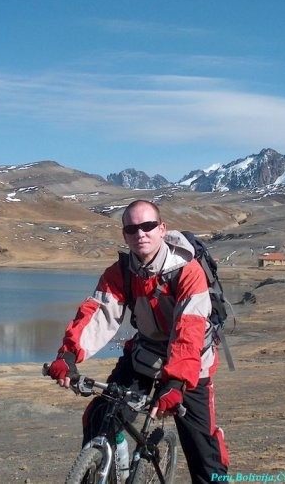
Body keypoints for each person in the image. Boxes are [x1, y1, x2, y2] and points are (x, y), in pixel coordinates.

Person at [48, 199, 229, 483]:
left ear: (162, 229)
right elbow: (99, 313)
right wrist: (68, 356)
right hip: (145, 356)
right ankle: (105, 470)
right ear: (124, 235)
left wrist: (177, 382)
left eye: (147, 226)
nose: (140, 234)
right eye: (132, 229)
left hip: (192, 366)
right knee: (99, 417)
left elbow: (189, 330)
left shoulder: (187, 271)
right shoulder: (120, 272)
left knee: (204, 453)